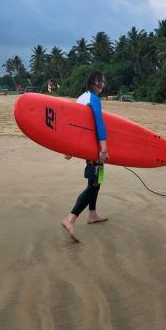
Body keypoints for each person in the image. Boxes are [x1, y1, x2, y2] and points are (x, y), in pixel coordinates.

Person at [61, 71, 109, 242]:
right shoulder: (93, 99)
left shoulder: (82, 97)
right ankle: (70, 218)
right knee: (95, 184)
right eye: (101, 81)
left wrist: (71, 149)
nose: (103, 85)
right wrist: (103, 148)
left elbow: (74, 125)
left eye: (104, 82)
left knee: (97, 180)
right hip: (94, 149)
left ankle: (92, 214)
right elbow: (99, 123)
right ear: (94, 82)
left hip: (86, 148)